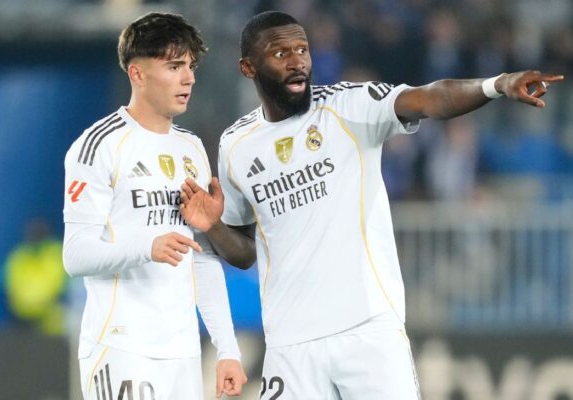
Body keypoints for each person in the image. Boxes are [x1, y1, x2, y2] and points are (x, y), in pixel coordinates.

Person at [179, 11, 564, 400]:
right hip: (290, 344)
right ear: (248, 67)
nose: (297, 61)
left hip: (368, 331)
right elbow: (245, 252)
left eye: (302, 49)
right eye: (281, 53)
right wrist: (213, 226)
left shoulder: (350, 106)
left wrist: (496, 85)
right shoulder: (237, 145)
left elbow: (431, 97)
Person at [62, 12, 246, 400]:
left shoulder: (191, 148)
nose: (188, 78)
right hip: (122, 346)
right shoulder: (99, 146)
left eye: (191, 66)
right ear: (137, 74)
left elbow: (200, 258)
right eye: (174, 66)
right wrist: (147, 247)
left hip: (182, 353)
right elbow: (75, 256)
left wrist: (227, 348)